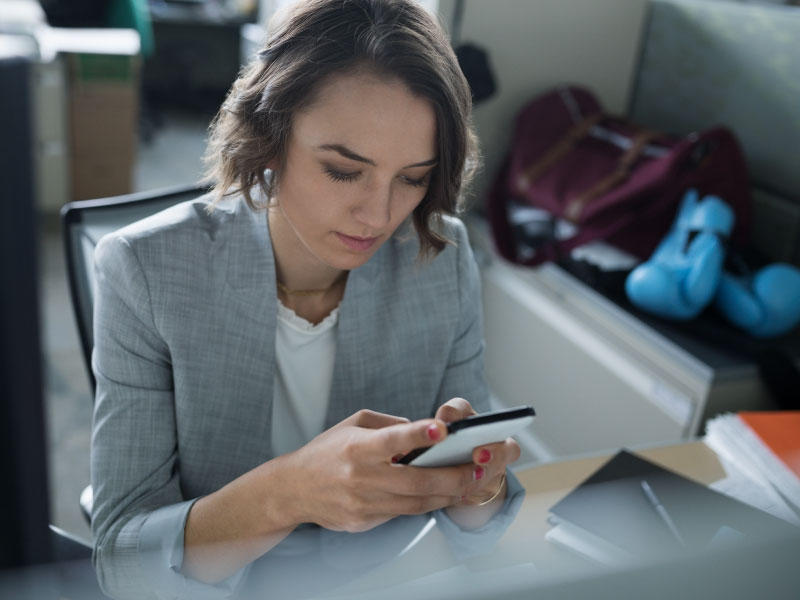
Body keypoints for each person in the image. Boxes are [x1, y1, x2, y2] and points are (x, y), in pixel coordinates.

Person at [90, 1, 525, 598]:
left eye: (413, 178)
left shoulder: (441, 257)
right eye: (344, 171)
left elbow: (480, 533)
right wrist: (289, 493)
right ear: (270, 138)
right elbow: (122, 564)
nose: (378, 215)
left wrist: (479, 483)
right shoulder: (144, 269)